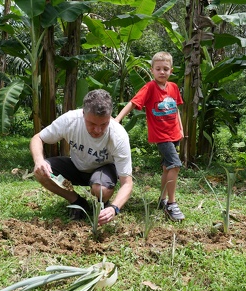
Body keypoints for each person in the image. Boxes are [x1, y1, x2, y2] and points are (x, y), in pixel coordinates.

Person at [30, 89, 133, 225]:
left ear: (110, 117)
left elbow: (127, 183)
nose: (98, 130)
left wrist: (114, 208)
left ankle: (103, 203)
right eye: (92, 124)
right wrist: (39, 160)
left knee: (100, 189)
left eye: (103, 124)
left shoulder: (118, 135)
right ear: (83, 114)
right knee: (41, 173)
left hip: (103, 170)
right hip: (76, 166)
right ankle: (77, 201)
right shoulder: (70, 120)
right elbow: (38, 138)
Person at [115, 51, 185, 221]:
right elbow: (133, 102)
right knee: (175, 165)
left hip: (174, 132)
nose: (162, 72)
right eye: (158, 68)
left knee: (167, 167)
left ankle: (161, 200)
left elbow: (176, 109)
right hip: (161, 135)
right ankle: (171, 204)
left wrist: (181, 129)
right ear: (152, 70)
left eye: (166, 69)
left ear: (171, 70)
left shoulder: (173, 87)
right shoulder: (150, 87)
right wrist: (117, 119)